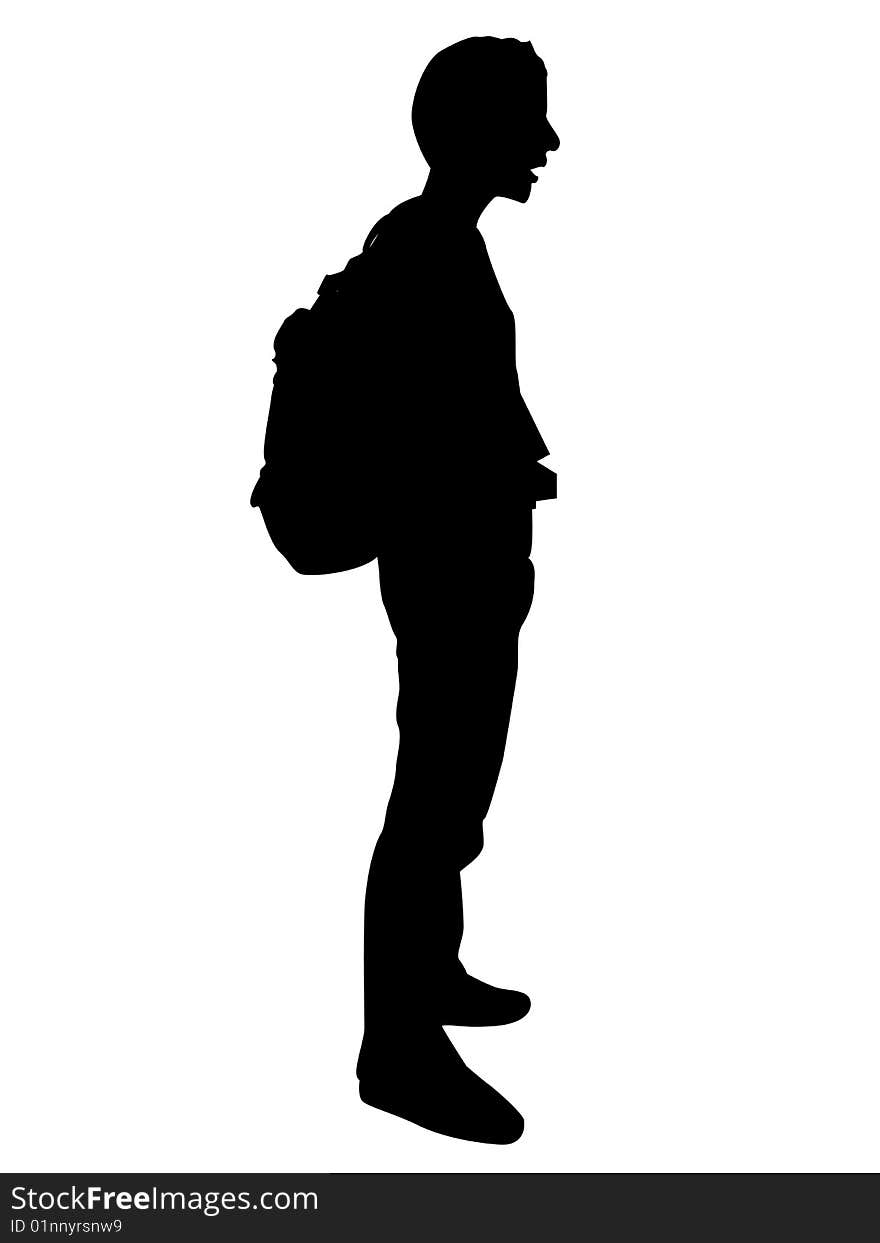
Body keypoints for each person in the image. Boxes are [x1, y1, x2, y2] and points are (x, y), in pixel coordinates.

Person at [352, 36, 560, 1144]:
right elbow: (422, 432)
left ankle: (430, 977)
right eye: (529, 119)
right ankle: (396, 1051)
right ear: (472, 127)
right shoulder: (424, 249)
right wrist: (494, 473)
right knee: (430, 804)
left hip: (470, 562)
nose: (548, 142)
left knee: (451, 797)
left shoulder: (442, 242)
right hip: (448, 571)